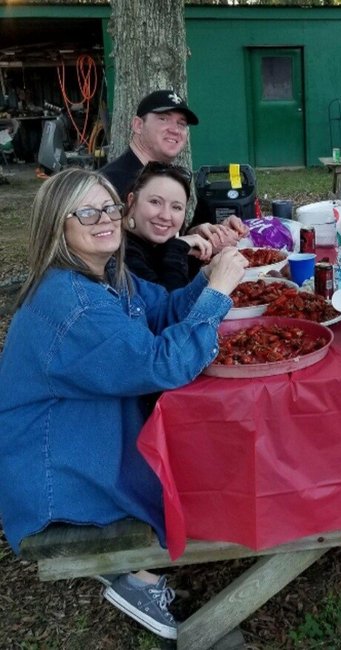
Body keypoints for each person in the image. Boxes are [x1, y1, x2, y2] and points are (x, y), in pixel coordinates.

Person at [0, 168, 247, 640]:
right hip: (59, 478)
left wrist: (209, 277)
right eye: (87, 212)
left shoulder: (103, 276)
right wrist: (218, 294)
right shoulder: (75, 306)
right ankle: (137, 576)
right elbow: (162, 363)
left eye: (110, 207)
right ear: (58, 225)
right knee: (203, 472)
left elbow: (159, 311)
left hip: (86, 440)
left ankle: (142, 572)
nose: (106, 219)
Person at [100, 89, 246, 251]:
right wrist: (184, 245)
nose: (174, 130)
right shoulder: (107, 184)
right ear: (138, 125)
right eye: (163, 119)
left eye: (181, 123)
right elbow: (123, 261)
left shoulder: (167, 177)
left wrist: (203, 235)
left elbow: (163, 245)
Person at [124, 160, 213, 290]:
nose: (165, 216)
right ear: (132, 201)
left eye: (176, 207)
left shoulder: (150, 242)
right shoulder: (120, 251)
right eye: (155, 202)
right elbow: (172, 303)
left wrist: (198, 242)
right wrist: (176, 248)